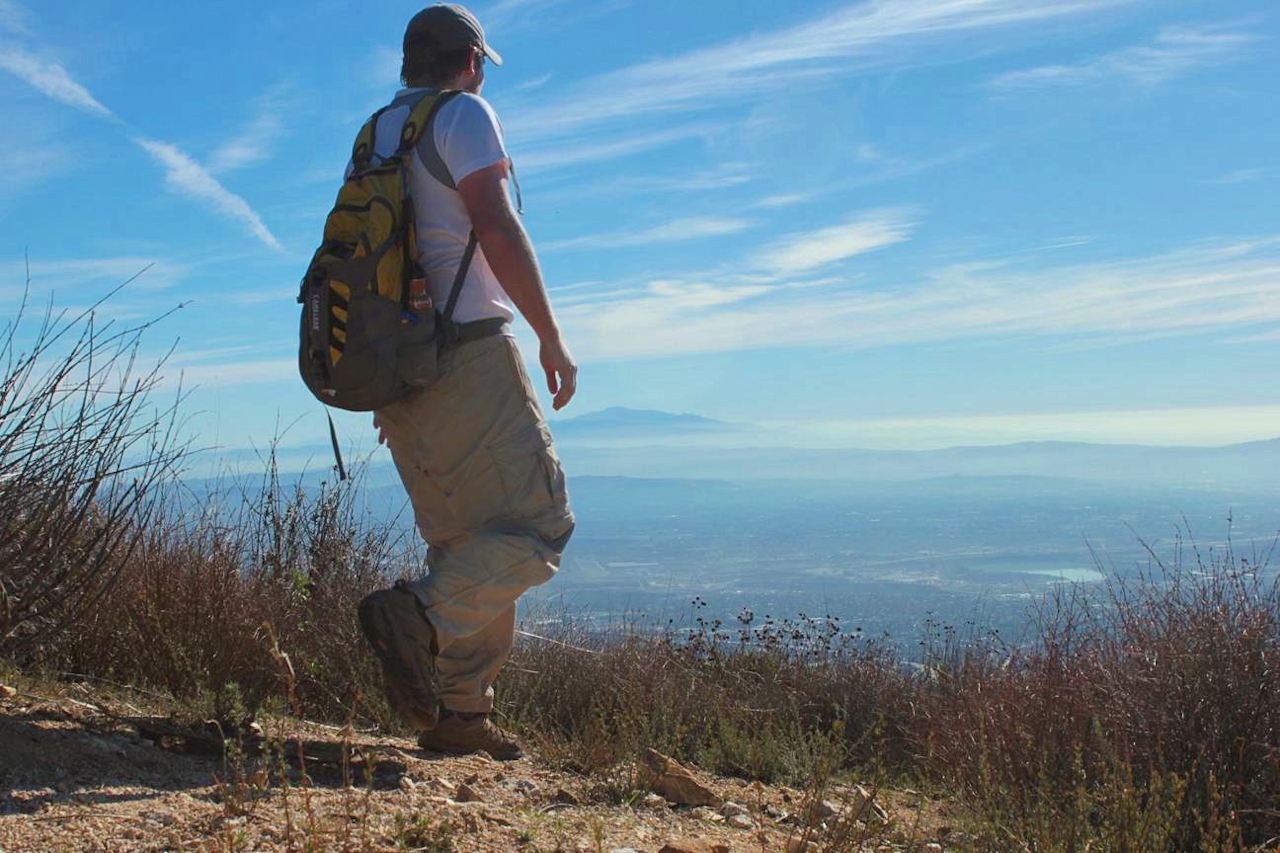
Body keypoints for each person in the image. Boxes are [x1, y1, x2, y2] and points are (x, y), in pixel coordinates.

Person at [356, 3, 577, 761]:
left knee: (470, 542)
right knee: (538, 529)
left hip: (398, 366)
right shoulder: (464, 114)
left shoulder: (377, 133)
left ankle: (462, 718)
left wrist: (388, 381)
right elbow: (496, 224)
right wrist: (550, 335)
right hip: (468, 354)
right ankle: (414, 614)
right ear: (470, 61)